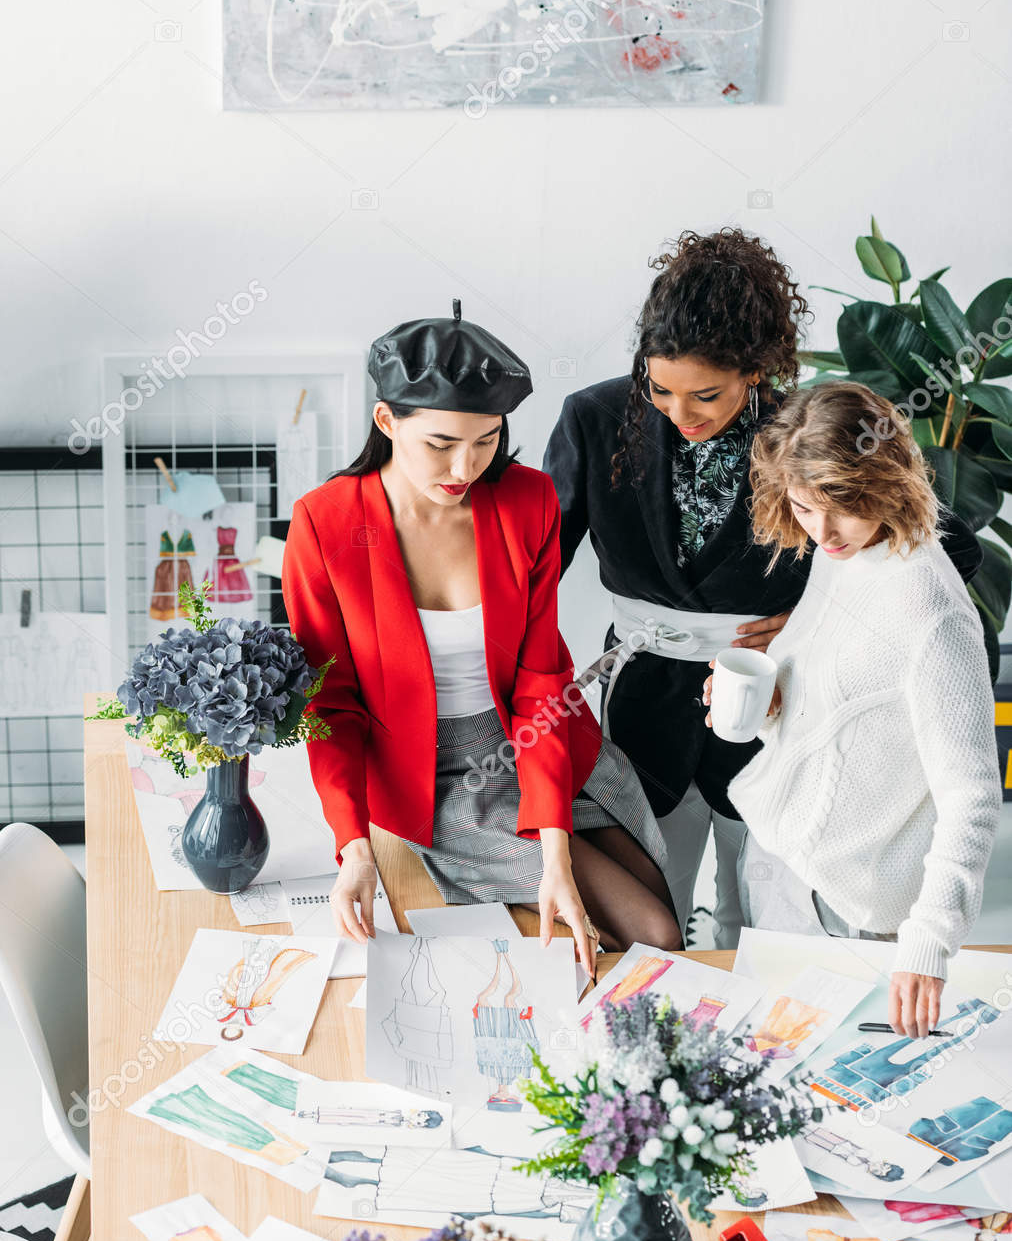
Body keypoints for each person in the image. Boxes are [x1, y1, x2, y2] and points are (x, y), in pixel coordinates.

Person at [543, 228, 983, 946]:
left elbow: (947, 542)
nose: (680, 414)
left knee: (758, 907)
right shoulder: (594, 419)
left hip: (775, 697)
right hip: (644, 694)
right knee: (653, 907)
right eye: (660, 389)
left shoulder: (802, 431)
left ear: (755, 369)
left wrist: (813, 621)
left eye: (705, 395)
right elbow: (536, 570)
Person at [281, 300, 680, 976]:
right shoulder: (325, 524)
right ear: (387, 421)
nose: (464, 467)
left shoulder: (528, 501)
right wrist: (353, 847)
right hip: (433, 776)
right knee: (656, 933)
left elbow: (540, 678)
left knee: (655, 896)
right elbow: (330, 705)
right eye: (440, 444)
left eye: (486, 440)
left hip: (541, 737)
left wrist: (554, 851)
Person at [702, 382, 1001, 1039]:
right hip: (779, 863)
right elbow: (846, 705)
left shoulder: (931, 612)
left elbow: (973, 797)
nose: (822, 531)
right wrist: (770, 701)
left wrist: (928, 942)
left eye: (842, 507)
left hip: (849, 907)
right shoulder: (849, 553)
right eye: (805, 507)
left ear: (886, 481)